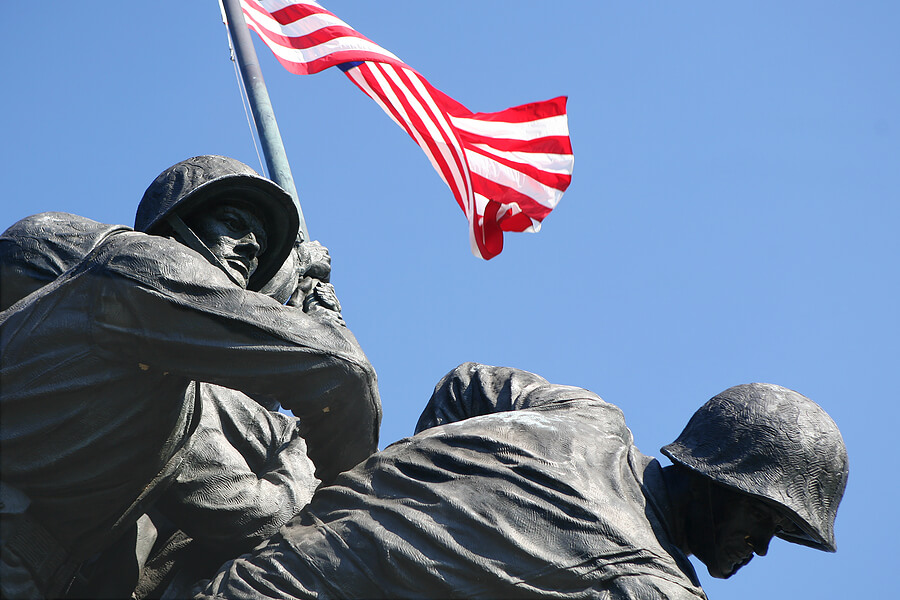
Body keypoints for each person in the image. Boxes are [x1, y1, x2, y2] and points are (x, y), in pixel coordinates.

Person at [0, 156, 381, 598]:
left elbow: (260, 520)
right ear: (174, 224)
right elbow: (343, 369)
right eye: (232, 222)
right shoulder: (138, 266)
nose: (249, 248)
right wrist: (350, 491)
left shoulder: (180, 411)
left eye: (259, 246)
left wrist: (298, 450)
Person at [197, 363, 848, 600]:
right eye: (763, 519)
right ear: (713, 476)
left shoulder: (587, 416)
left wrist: (411, 484)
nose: (761, 547)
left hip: (246, 570)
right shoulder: (651, 586)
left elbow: (462, 385)